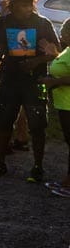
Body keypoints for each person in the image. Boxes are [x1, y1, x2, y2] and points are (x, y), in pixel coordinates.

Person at [0, 0, 58, 181]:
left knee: (37, 124)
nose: (27, 9)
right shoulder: (2, 22)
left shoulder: (42, 23)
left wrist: (37, 61)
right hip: (10, 79)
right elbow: (0, 47)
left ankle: (38, 168)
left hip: (35, 81)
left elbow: (56, 51)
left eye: (29, 5)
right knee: (3, 121)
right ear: (12, 5)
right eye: (23, 6)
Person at [41, 19, 70, 196]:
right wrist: (54, 54)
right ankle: (67, 180)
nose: (62, 34)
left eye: (65, 31)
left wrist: (54, 82)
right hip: (64, 103)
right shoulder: (68, 49)